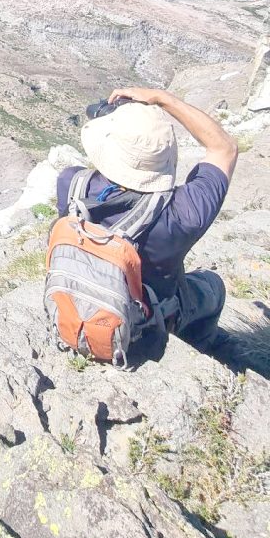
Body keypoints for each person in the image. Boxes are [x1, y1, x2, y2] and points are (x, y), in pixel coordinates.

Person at [56, 87, 239, 349]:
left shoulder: (71, 183)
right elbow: (225, 148)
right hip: (144, 325)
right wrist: (164, 99)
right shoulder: (185, 214)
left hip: (77, 306)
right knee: (213, 285)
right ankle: (202, 344)